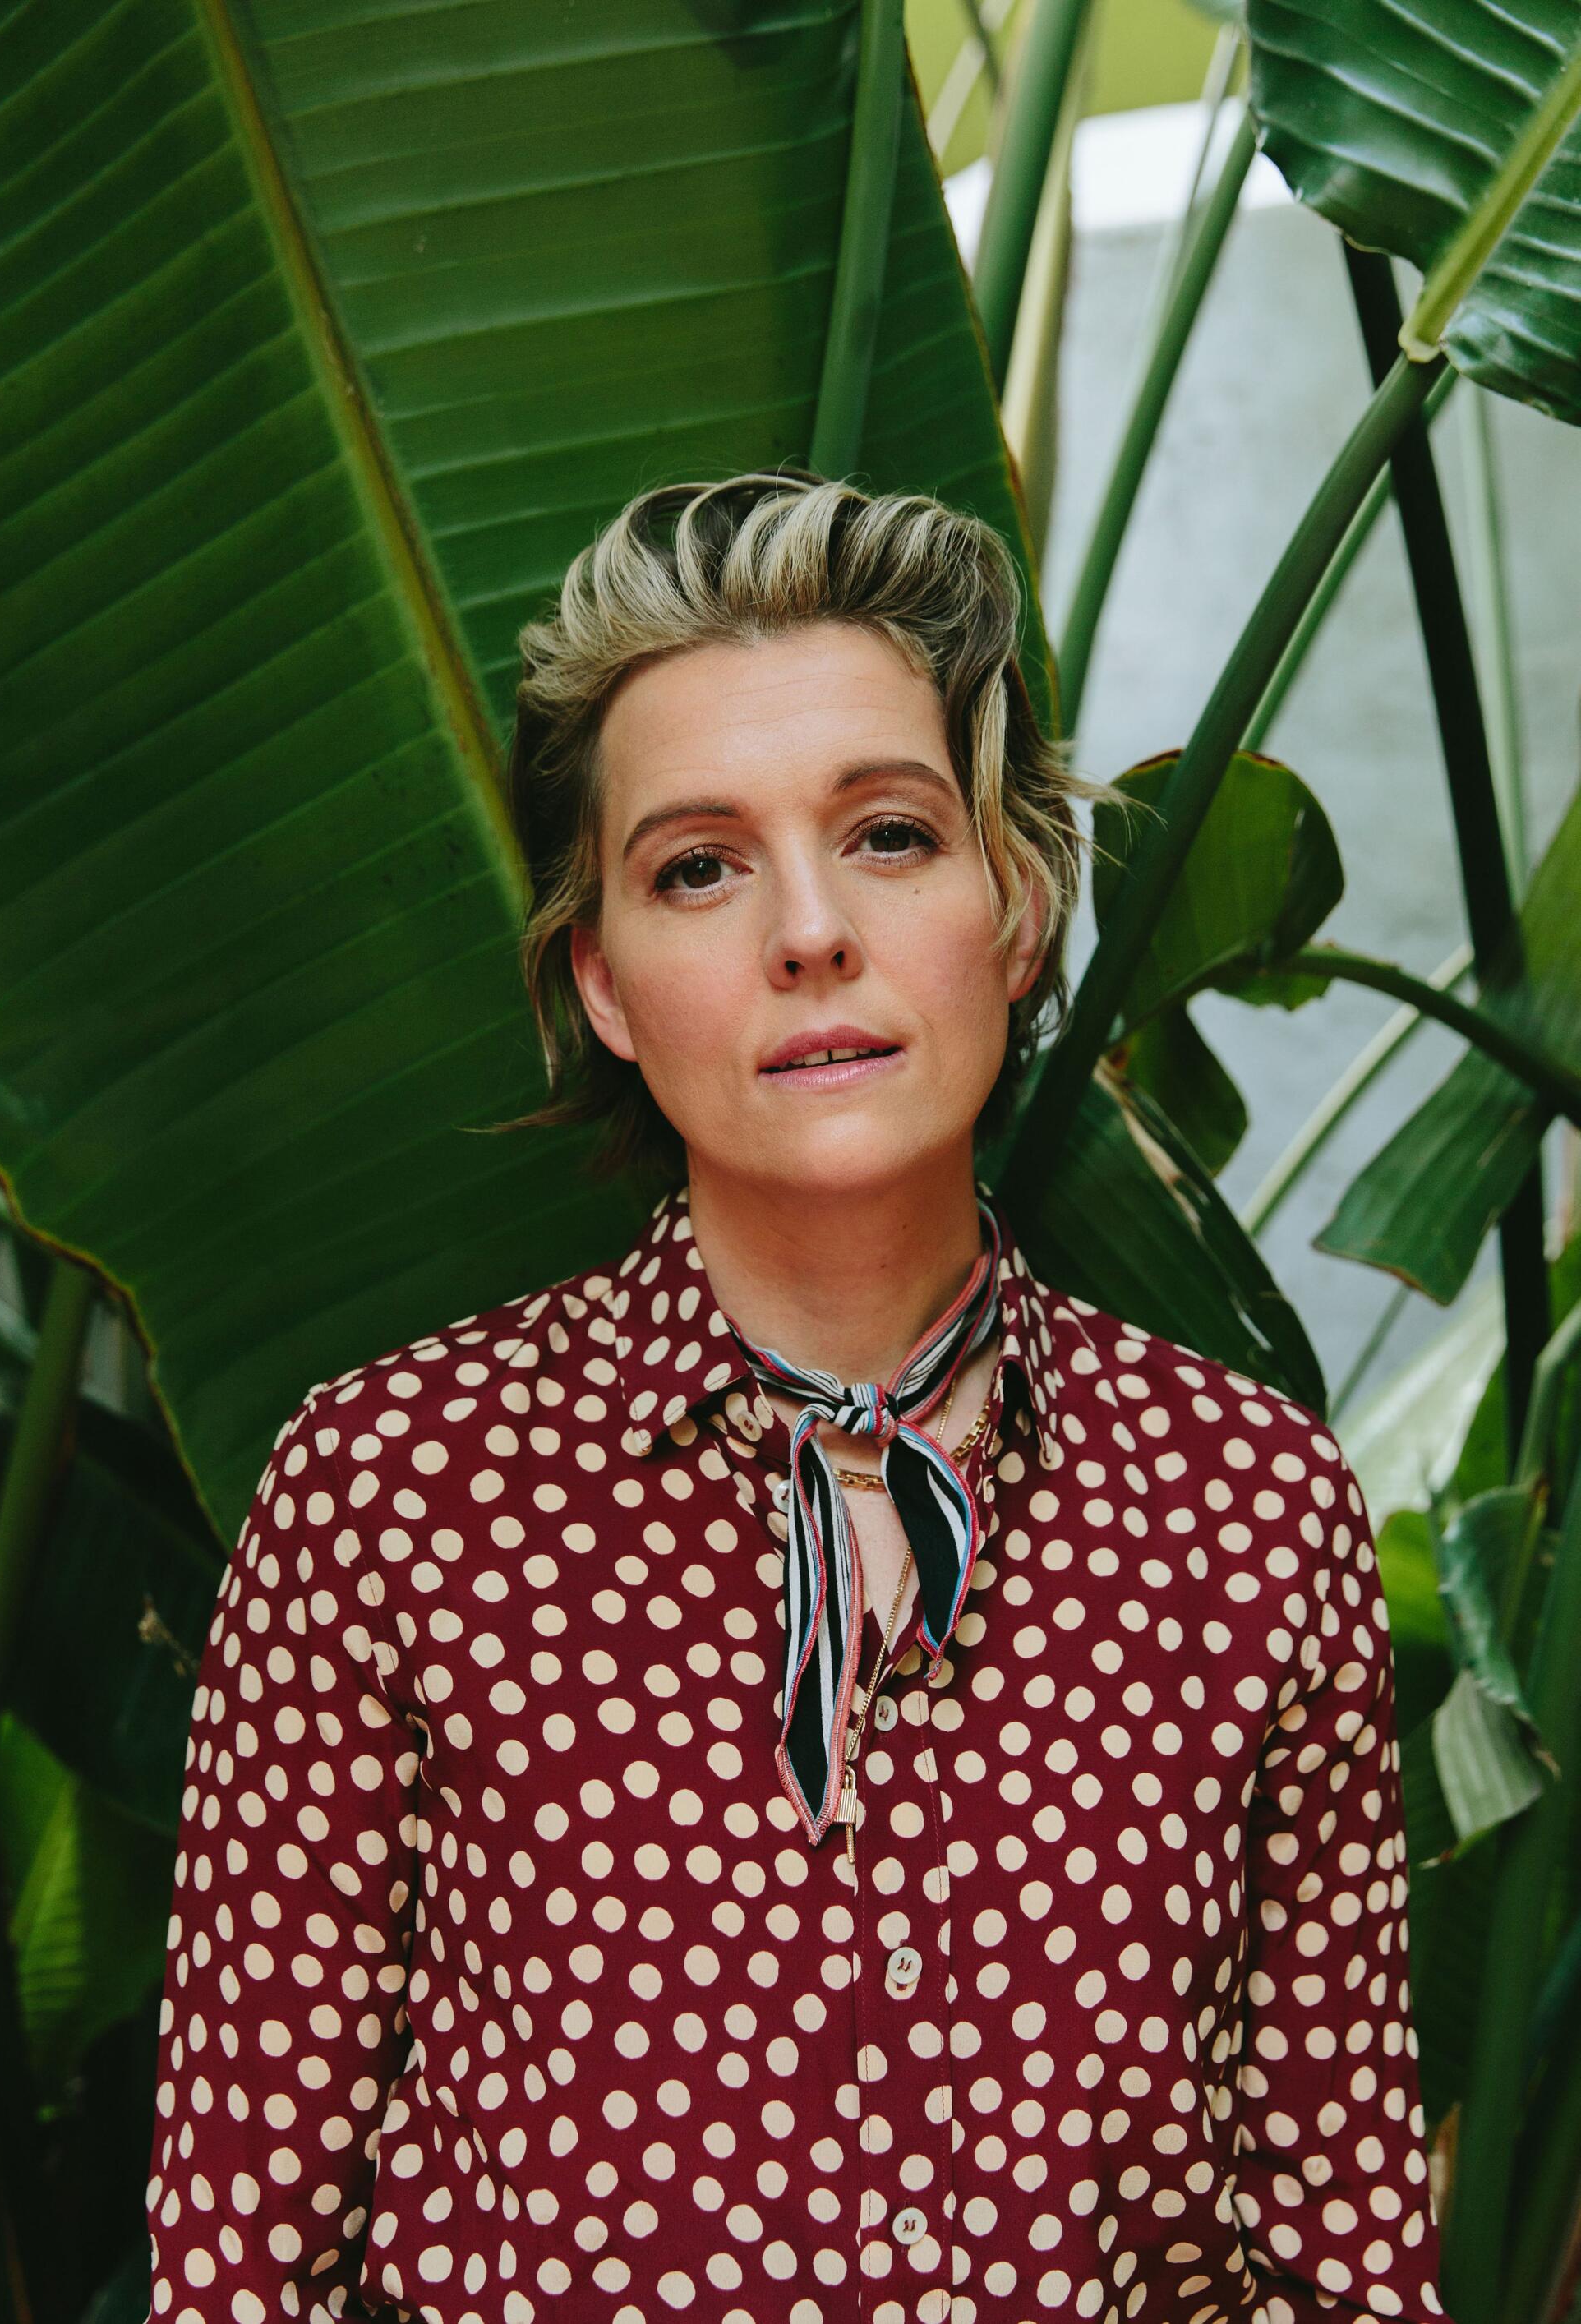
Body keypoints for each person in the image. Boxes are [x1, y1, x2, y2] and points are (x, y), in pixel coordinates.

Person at [145, 473, 1453, 2324]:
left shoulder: (1242, 1509)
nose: (809, 931)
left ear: (1015, 906)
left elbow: (1345, 2261)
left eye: (893, 835)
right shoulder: (392, 1498)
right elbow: (240, 2261)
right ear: (603, 980)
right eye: (699, 864)